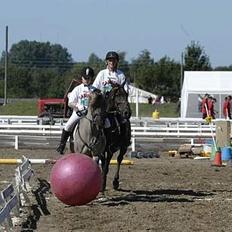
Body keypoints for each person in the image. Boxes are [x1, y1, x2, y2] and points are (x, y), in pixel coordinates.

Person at [92, 51, 131, 144]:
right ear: (106, 62)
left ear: (117, 62)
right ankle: (95, 140)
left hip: (117, 106)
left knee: (124, 122)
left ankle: (124, 141)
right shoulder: (102, 74)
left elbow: (126, 90)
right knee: (96, 120)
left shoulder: (121, 75)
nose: (112, 62)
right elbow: (94, 88)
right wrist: (100, 93)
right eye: (110, 60)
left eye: (114, 60)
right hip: (103, 104)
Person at [56, 66, 95, 155]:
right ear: (82, 78)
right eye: (85, 78)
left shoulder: (94, 90)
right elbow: (70, 102)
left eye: (89, 78)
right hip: (79, 112)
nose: (87, 80)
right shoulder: (77, 89)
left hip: (91, 114)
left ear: (91, 79)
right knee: (68, 125)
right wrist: (78, 106)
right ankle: (62, 145)